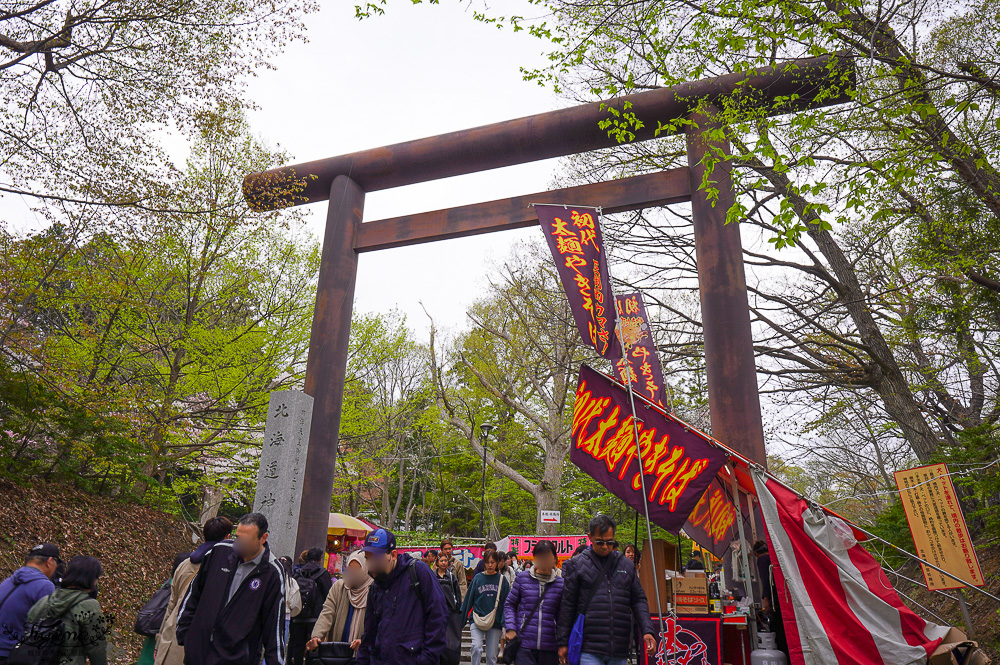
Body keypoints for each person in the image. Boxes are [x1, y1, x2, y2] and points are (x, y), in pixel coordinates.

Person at [176, 512, 286, 665]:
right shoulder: (219, 552)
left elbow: (274, 626)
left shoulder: (272, 573)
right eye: (238, 537)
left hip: (236, 658)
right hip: (198, 653)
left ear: (263, 538)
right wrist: (186, 634)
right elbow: (193, 594)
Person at [557, 515, 656, 665]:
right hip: (588, 648)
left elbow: (638, 600)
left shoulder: (626, 565)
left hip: (619, 648)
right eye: (600, 542)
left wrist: (647, 630)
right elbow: (567, 605)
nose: (605, 546)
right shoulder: (577, 564)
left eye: (610, 542)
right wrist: (563, 642)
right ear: (590, 537)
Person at [357, 528, 448, 665]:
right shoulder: (375, 587)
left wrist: (425, 659)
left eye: (376, 558)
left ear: (393, 555)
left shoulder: (418, 573)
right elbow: (369, 633)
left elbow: (439, 617)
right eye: (368, 558)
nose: (371, 565)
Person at [154, 516, 232, 665]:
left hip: (170, 636)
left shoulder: (185, 564)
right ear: (227, 537)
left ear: (203, 537)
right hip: (195, 642)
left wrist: (159, 642)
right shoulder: (225, 570)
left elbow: (171, 604)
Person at [23, 555, 107, 665]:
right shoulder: (89, 606)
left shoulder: (46, 600)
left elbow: (28, 628)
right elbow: (97, 648)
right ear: (92, 579)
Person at [503, 540, 564, 665]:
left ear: (555, 559)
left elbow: (563, 615)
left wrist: (563, 642)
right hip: (525, 644)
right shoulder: (522, 578)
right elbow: (510, 604)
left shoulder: (561, 584)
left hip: (550, 646)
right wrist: (511, 627)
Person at [0, 543, 60, 663]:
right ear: (49, 562)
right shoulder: (45, 586)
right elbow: (47, 629)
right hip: (12, 654)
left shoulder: (9, 581)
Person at [307, 550, 372, 654]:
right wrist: (317, 636)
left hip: (362, 654)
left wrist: (366, 641)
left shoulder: (374, 590)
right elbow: (327, 613)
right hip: (338, 651)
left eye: (356, 569)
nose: (352, 573)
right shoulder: (339, 587)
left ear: (365, 569)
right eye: (349, 569)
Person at [460, 549, 510, 665]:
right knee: (476, 647)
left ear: (497, 563)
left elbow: (507, 603)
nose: (490, 565)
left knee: (491, 656)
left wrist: (505, 623)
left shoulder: (502, 580)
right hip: (477, 618)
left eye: (493, 562)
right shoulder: (477, 578)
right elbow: (468, 600)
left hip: (495, 621)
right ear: (484, 563)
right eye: (487, 562)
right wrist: (461, 621)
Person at [289, 547, 331, 665]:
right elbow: (329, 594)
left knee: (298, 644)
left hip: (298, 614)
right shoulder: (323, 573)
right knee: (312, 645)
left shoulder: (298, 573)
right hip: (315, 616)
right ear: (319, 559)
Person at [434, 552, 463, 665]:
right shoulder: (432, 576)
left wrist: (457, 608)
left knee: (452, 642)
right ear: (437, 562)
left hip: (451, 612)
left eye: (445, 561)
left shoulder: (451, 577)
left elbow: (457, 593)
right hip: (436, 613)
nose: (443, 563)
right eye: (441, 561)